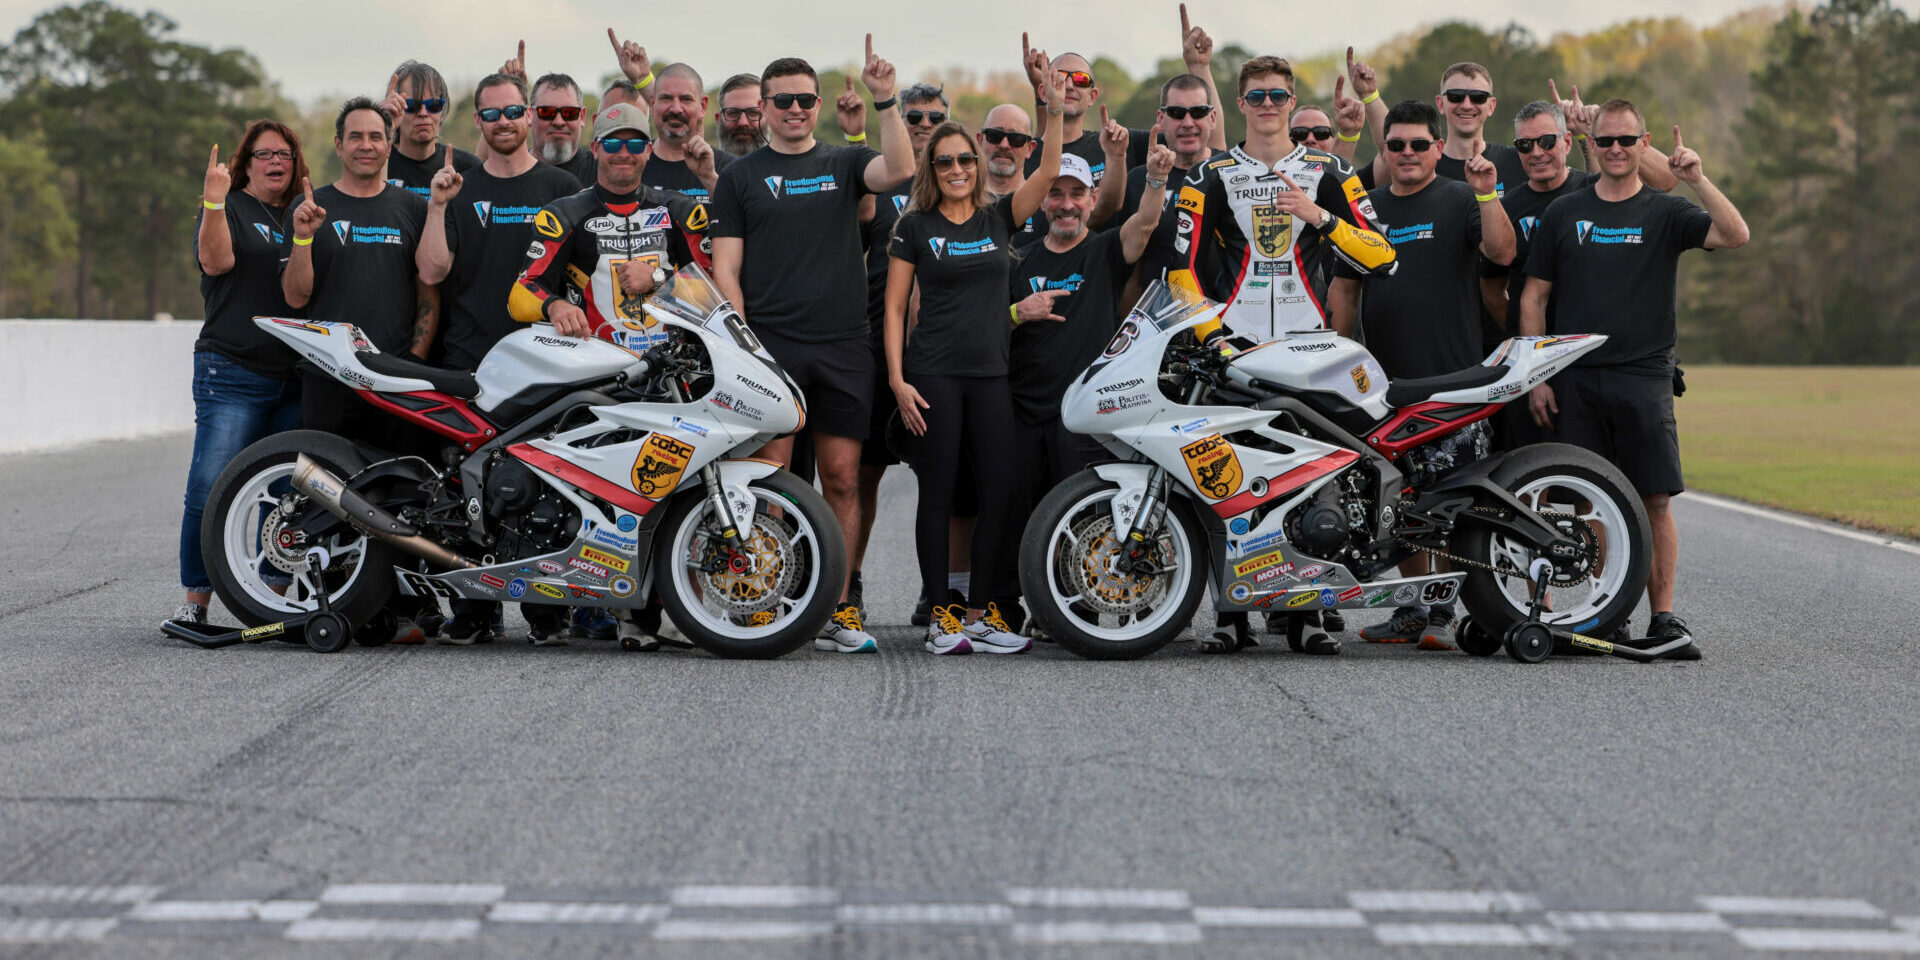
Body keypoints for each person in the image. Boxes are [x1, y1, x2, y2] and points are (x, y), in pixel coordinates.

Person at [1521, 99, 1747, 660]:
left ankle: (1663, 619)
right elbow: (1535, 296)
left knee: (1654, 501)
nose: (1616, 149)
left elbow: (1735, 234)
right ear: (1589, 145)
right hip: (1572, 377)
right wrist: (1536, 377)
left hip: (1644, 379)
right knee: (1580, 502)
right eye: (1606, 141)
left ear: (1644, 144)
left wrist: (1696, 180)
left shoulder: (1666, 211)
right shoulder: (1565, 213)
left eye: (1627, 140)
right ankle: (1600, 615)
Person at [708, 42, 914, 654]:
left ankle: (840, 604)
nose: (794, 109)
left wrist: (885, 99)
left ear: (818, 104)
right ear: (765, 107)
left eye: (805, 99)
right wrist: (746, 348)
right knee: (770, 478)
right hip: (770, 348)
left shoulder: (846, 162)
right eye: (783, 100)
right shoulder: (738, 178)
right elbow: (726, 272)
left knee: (844, 480)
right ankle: (766, 594)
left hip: (845, 345)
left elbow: (900, 169)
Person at [885, 74, 1065, 654]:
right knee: (938, 493)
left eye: (965, 158)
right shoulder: (914, 227)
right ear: (930, 170)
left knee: (1000, 491)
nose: (958, 168)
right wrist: (897, 380)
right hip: (933, 375)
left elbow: (1047, 168)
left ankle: (984, 613)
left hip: (991, 375)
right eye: (945, 162)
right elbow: (893, 308)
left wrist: (1054, 110)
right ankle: (943, 618)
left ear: (978, 164)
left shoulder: (1000, 218)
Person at [1329, 99, 1515, 649]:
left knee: (1455, 504)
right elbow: (1344, 286)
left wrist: (1487, 192)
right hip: (1385, 386)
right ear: (1383, 152)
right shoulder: (1366, 208)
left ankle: (1451, 611)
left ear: (1438, 149)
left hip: (1455, 382)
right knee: (1398, 502)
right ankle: (1416, 609)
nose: (1407, 154)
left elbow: (1502, 253)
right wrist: (1339, 358)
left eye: (1418, 144)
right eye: (1395, 145)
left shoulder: (1462, 198)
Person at [414, 74, 583, 646]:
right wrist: (437, 206)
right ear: (479, 124)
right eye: (492, 115)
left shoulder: (562, 184)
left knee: (544, 488)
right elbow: (432, 272)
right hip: (472, 360)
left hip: (547, 363)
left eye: (514, 111)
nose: (504, 122)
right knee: (466, 488)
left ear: (529, 115)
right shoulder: (458, 189)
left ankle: (544, 611)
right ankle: (473, 609)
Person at [282, 97, 435, 644]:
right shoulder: (312, 207)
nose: (367, 145)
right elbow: (295, 297)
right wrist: (302, 235)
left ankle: (394, 611)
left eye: (376, 136)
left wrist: (412, 363)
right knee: (324, 496)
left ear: (388, 145)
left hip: (393, 381)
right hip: (327, 377)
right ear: (338, 144)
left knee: (396, 496)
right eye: (356, 136)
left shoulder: (411, 209)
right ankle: (319, 603)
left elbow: (427, 295)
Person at [1004, 148, 1173, 618]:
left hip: (1082, 414)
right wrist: (1022, 312)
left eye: (1076, 194)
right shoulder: (1019, 258)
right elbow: (988, 325)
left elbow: (1142, 225)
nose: (1065, 204)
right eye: (1055, 194)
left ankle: (1078, 608)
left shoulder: (1102, 250)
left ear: (1092, 199)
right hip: (1023, 408)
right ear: (1041, 202)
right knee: (1024, 514)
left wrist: (1156, 179)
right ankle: (1023, 607)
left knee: (1084, 514)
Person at [173, 121, 311, 627]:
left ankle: (270, 599)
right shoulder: (229, 205)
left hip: (296, 373)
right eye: (263, 154)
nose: (275, 162)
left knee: (288, 493)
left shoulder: (304, 212)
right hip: (232, 370)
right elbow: (214, 262)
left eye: (285, 154)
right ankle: (195, 603)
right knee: (210, 485)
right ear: (245, 162)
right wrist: (213, 200)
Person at [1169, 55, 1397, 341]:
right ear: (1241, 104)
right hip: (1234, 345)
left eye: (1278, 96)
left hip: (1309, 340)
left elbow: (1383, 258)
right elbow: (1182, 272)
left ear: (1291, 102)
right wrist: (1213, 338)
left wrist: (1320, 218)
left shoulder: (1332, 169)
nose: (1267, 104)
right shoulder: (1206, 176)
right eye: (1256, 97)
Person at [850, 80, 966, 621]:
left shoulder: (960, 185)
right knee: (863, 474)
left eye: (933, 116)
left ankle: (937, 589)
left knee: (940, 477)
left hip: (941, 354)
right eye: (913, 115)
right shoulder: (882, 178)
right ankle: (848, 585)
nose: (922, 123)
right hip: (876, 347)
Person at [1479, 100, 1596, 449]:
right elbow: (1490, 285)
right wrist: (1519, 333)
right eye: (1525, 145)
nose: (1536, 153)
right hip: (1532, 367)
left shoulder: (1595, 193)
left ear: (1566, 142)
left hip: (1591, 362)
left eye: (1546, 141)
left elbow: (1659, 183)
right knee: (1530, 477)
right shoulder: (1508, 208)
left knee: (1591, 481)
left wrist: (1594, 128)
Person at [378, 61, 480, 198]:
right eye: (412, 105)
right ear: (395, 108)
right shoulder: (378, 163)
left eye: (433, 105)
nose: (423, 113)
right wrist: (382, 127)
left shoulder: (467, 168)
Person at [643, 63, 731, 201]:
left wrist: (709, 178)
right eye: (666, 98)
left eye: (686, 99)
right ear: (653, 105)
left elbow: (743, 220)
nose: (676, 109)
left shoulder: (730, 168)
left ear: (702, 106)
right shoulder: (632, 163)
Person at [530, 73, 596, 187]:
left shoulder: (602, 171)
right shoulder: (509, 173)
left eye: (569, 113)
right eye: (547, 112)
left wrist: (638, 82)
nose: (559, 122)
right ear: (529, 116)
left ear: (582, 117)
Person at [714, 73, 768, 157]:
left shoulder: (789, 169)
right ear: (718, 119)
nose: (742, 123)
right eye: (733, 113)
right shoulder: (703, 169)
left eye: (753, 113)